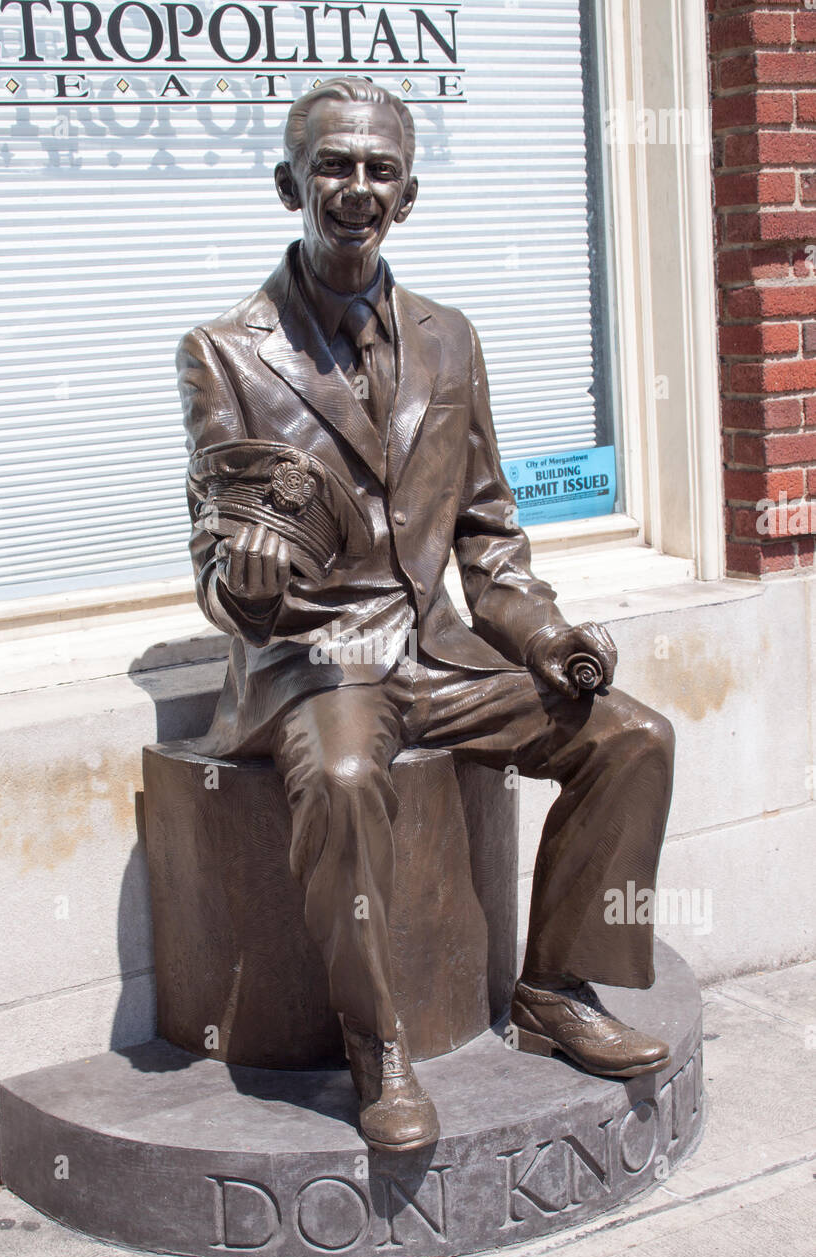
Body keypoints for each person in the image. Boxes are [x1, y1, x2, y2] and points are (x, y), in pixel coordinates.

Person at [177, 79, 675, 1154]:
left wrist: (546, 635)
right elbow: (219, 574)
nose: (357, 187)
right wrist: (253, 581)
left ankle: (553, 991)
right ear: (288, 183)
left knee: (633, 737)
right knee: (350, 780)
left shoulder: (451, 340)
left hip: (440, 656)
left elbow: (487, 538)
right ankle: (379, 1048)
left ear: (409, 195)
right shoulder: (224, 353)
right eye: (334, 165)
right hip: (316, 662)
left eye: (380, 169)